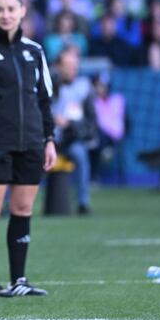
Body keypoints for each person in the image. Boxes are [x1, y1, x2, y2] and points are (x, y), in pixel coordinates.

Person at [0, 0, 57, 298]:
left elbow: (44, 100)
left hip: (31, 142)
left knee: (22, 209)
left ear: (22, 12)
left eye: (11, 9)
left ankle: (19, 280)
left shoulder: (35, 51)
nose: (5, 14)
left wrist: (49, 140)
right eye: (0, 9)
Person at [52, 47, 98, 215]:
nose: (72, 70)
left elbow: (91, 121)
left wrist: (70, 123)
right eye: (67, 66)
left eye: (74, 66)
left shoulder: (84, 87)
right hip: (46, 136)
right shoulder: (49, 84)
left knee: (80, 154)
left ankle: (83, 202)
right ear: (58, 67)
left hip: (70, 137)